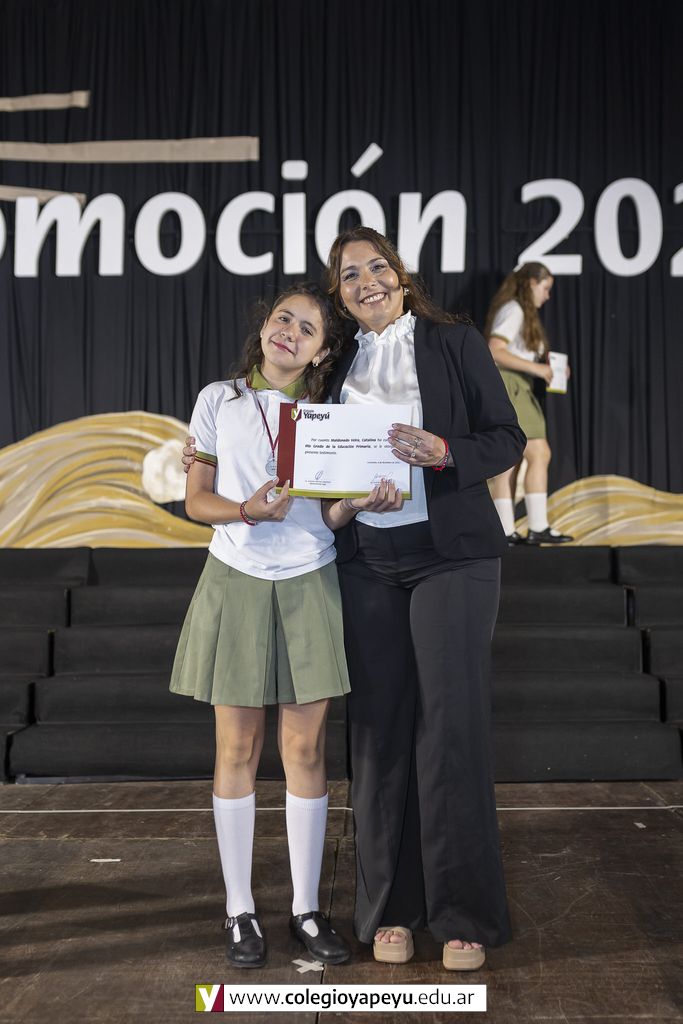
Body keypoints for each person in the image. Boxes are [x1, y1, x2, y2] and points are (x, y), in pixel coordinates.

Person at [319, 226, 526, 971]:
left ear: (401, 276)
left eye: (376, 266)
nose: (366, 281)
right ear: (339, 296)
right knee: (377, 737)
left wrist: (444, 452)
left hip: (452, 558)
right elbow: (306, 462)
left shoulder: (453, 341)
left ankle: (463, 914)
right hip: (368, 563)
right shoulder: (333, 362)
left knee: (449, 732)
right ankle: (390, 911)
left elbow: (507, 438)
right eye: (349, 275)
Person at [171, 283, 391, 969]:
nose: (289, 332)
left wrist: (358, 504)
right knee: (237, 748)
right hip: (235, 578)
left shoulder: (329, 416)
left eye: (307, 329)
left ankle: (304, 909)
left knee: (305, 751)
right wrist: (246, 510)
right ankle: (239, 909)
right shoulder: (219, 399)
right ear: (264, 326)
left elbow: (327, 516)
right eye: (283, 319)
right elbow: (196, 500)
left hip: (309, 579)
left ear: (322, 352)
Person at [484, 262, 573, 544]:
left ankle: (507, 530)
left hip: (516, 385)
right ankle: (534, 527)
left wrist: (551, 369)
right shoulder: (515, 309)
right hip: (510, 385)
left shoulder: (519, 312)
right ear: (532, 283)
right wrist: (539, 369)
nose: (547, 296)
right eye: (545, 288)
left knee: (512, 458)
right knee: (537, 452)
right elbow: (494, 350)